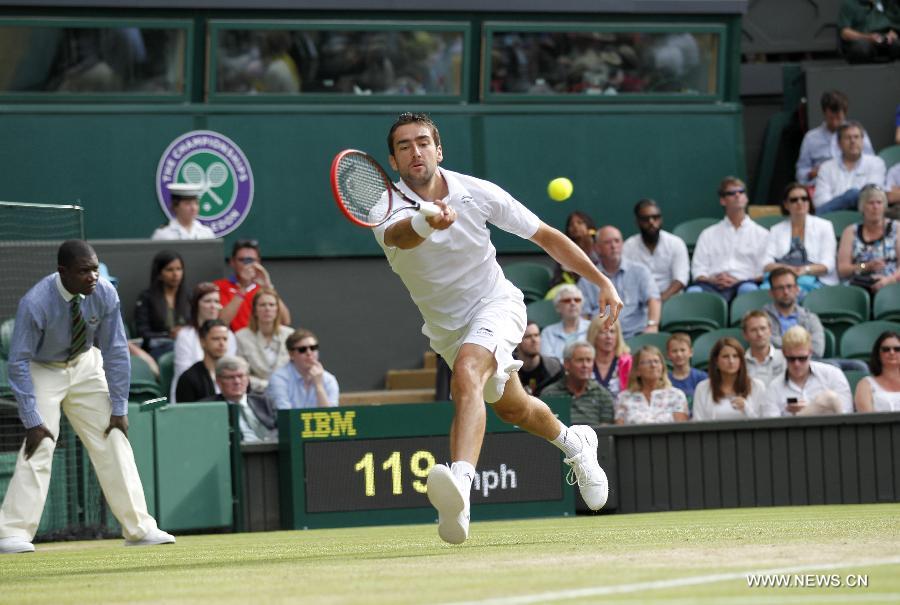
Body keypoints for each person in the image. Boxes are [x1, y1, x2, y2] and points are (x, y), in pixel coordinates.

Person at [371, 112, 622, 544]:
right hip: (447, 327)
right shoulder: (383, 205)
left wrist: (600, 280)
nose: (416, 151)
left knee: (466, 374)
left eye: (423, 142)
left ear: (439, 149)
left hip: (496, 304)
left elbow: (545, 236)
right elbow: (398, 238)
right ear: (393, 160)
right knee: (514, 409)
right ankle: (576, 444)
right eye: (405, 146)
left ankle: (461, 491)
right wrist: (424, 221)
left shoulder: (476, 192)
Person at [0, 240, 174, 554]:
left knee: (114, 437)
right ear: (62, 272)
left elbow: (117, 351)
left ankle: (140, 528)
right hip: (43, 368)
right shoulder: (36, 302)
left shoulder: (105, 292)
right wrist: (31, 417)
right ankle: (11, 533)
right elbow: (19, 362)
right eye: (84, 271)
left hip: (85, 363)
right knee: (40, 443)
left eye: (95, 268)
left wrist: (118, 407)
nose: (93, 276)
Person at [688, 177, 768, 302]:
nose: (737, 195)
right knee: (693, 292)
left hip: (745, 283)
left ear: (746, 198)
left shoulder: (762, 234)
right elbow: (698, 269)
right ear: (722, 201)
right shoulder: (708, 234)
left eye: (741, 192)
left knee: (748, 289)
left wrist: (739, 280)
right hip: (712, 285)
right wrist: (712, 280)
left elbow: (762, 272)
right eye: (731, 193)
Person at [579, 225, 660, 337]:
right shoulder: (587, 278)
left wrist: (652, 325)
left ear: (622, 244)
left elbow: (654, 299)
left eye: (617, 241)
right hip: (602, 338)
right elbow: (584, 316)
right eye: (607, 242)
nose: (613, 246)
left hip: (635, 335)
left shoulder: (640, 271)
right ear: (597, 248)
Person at [763, 182, 838, 292]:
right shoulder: (776, 229)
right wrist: (788, 269)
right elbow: (766, 263)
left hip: (813, 278)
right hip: (781, 277)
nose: (800, 202)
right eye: (794, 200)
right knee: (763, 291)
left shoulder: (825, 226)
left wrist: (804, 270)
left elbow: (828, 264)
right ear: (786, 204)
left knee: (796, 292)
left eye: (804, 198)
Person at [172, 282, 237, 402]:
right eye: (208, 301)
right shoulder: (185, 335)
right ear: (196, 305)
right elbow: (184, 374)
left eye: (217, 302)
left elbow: (230, 366)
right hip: (191, 394)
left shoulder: (229, 335)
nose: (213, 306)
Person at [765, 326, 852, 416]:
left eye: (802, 358)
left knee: (830, 398)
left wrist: (811, 409)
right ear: (784, 354)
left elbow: (846, 414)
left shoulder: (833, 375)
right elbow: (771, 425)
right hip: (792, 430)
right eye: (791, 359)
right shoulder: (774, 387)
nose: (796, 364)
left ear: (810, 352)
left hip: (831, 428)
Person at [795, 90, 875, 185]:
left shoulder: (857, 134)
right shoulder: (811, 138)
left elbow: (871, 162)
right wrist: (811, 173)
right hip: (820, 184)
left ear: (845, 114)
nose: (834, 122)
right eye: (831, 118)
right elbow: (801, 171)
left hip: (852, 182)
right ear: (824, 113)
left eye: (838, 118)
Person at [215, 239, 292, 333]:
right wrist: (243, 288)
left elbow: (285, 320)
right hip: (232, 342)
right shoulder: (220, 286)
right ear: (232, 262)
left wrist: (268, 287)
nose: (246, 264)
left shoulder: (263, 288)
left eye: (250, 260)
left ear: (258, 262)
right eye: (241, 260)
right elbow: (221, 322)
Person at [622, 198, 690, 301]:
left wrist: (658, 300)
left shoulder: (676, 243)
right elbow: (625, 280)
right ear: (637, 222)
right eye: (646, 219)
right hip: (639, 302)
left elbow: (680, 280)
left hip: (671, 300)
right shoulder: (628, 246)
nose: (651, 222)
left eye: (656, 217)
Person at [691, 338, 774, 421]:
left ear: (741, 360)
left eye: (735, 356)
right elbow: (698, 423)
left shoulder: (757, 386)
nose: (731, 361)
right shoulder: (702, 388)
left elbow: (764, 424)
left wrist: (747, 409)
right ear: (716, 361)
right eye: (725, 357)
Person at [837, 184, 900, 293]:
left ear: (884, 206)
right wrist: (865, 266)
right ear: (862, 207)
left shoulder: (897, 228)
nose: (875, 207)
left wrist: (890, 280)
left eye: (879, 203)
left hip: (891, 283)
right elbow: (843, 269)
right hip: (859, 285)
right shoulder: (850, 231)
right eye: (871, 203)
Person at [813, 122, 886, 214]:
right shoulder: (826, 167)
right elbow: (820, 202)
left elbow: (871, 196)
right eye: (848, 138)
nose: (852, 141)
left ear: (862, 141)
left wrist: (848, 198)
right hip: (833, 218)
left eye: (856, 137)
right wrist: (849, 198)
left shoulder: (876, 163)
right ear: (839, 143)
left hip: (864, 217)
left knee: (855, 195)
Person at [204, 356, 278, 443]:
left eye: (240, 376)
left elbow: (280, 430)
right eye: (230, 377)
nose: (237, 381)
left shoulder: (265, 402)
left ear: (247, 378)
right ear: (218, 381)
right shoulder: (208, 408)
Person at [540, 341, 615, 425]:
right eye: (580, 360)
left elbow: (606, 433)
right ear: (566, 364)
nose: (585, 365)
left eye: (589, 360)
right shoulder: (549, 394)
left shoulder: (603, 395)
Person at [235, 287, 294, 394]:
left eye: (271, 305)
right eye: (262, 305)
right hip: (256, 394)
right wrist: (267, 386)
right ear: (255, 310)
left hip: (288, 391)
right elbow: (241, 373)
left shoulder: (289, 335)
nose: (267, 309)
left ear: (277, 310)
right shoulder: (241, 337)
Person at [133, 249, 190, 360]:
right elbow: (143, 332)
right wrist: (168, 335)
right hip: (158, 348)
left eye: (179, 269)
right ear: (159, 274)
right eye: (169, 270)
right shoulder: (146, 297)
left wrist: (184, 331)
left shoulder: (189, 296)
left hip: (186, 343)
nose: (175, 274)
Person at [614, 346, 689, 425]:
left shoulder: (676, 395)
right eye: (647, 362)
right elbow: (619, 430)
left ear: (662, 367)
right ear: (637, 370)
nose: (653, 365)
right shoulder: (624, 397)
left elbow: (681, 430)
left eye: (656, 361)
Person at [266, 329, 339, 409]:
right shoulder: (279, 379)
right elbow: (285, 416)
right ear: (291, 354)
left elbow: (331, 417)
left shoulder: (329, 380)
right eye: (302, 350)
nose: (309, 353)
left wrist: (319, 386)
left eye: (313, 348)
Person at [762, 268, 826, 358]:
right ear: (771, 292)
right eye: (780, 288)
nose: (786, 292)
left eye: (789, 286)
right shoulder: (761, 319)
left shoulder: (811, 318)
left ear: (797, 289)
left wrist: (784, 346)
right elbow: (763, 346)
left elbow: (818, 350)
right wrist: (801, 347)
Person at [546, 210, 598, 300]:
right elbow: (556, 281)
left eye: (580, 223)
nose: (575, 226)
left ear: (590, 228)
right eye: (571, 224)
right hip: (567, 293)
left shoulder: (598, 248)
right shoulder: (563, 251)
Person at [174, 319, 229, 403]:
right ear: (202, 341)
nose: (222, 344)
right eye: (216, 339)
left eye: (225, 339)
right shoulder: (188, 379)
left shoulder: (236, 375)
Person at [539, 284, 591, 361]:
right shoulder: (548, 333)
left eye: (577, 300)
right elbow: (549, 363)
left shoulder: (591, 327)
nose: (573, 303)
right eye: (567, 300)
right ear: (558, 307)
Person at [151, 183, 216, 240]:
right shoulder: (163, 234)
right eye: (187, 204)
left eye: (196, 203)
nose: (193, 208)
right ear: (175, 206)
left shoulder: (206, 233)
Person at [587, 316, 632, 400]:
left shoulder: (627, 362)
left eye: (612, 332)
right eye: (603, 332)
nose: (609, 337)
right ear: (594, 336)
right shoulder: (585, 361)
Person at [855, 331, 900, 412]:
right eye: (886, 349)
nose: (892, 352)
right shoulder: (866, 384)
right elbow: (867, 420)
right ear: (878, 354)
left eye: (897, 349)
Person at [515, 321, 562, 396]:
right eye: (528, 337)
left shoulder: (554, 368)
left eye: (536, 335)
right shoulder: (508, 369)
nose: (534, 340)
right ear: (517, 342)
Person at [742, 309, 787, 385]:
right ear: (745, 335)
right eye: (753, 330)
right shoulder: (740, 363)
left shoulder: (785, 358)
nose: (759, 334)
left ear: (770, 331)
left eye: (763, 328)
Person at [666, 332, 707, 400]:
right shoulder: (665, 379)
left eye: (682, 350)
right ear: (668, 355)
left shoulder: (702, 377)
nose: (679, 354)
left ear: (691, 352)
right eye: (674, 351)